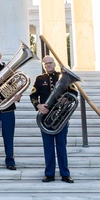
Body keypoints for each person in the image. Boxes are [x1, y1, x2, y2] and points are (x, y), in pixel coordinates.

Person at [30, 54, 74, 183]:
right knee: (48, 146)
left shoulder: (62, 77)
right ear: (43, 66)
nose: (48, 65)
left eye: (50, 63)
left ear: (54, 64)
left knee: (61, 146)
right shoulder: (39, 79)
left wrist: (66, 99)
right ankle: (49, 174)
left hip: (61, 116)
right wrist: (38, 105)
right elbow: (33, 95)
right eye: (45, 63)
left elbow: (74, 92)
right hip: (45, 118)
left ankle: (65, 174)